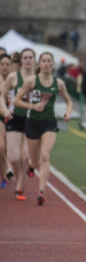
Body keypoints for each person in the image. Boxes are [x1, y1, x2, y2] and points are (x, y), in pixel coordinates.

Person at [14, 52, 73, 205]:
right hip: (32, 122)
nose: (46, 63)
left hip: (49, 122)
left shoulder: (58, 83)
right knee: (33, 160)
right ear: (39, 64)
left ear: (52, 64)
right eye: (44, 61)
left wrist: (67, 113)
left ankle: (41, 192)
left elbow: (69, 101)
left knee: (45, 155)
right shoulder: (31, 81)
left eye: (49, 61)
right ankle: (32, 167)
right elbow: (16, 101)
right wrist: (33, 106)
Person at [0, 48, 36, 200]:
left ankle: (20, 185)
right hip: (14, 117)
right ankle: (17, 175)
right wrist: (6, 110)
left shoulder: (38, 78)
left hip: (32, 119)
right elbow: (1, 96)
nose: (28, 60)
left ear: (34, 60)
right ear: (21, 61)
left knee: (26, 156)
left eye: (30, 57)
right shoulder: (13, 77)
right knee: (14, 157)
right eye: (25, 57)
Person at [0, 54, 13, 188]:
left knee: (11, 150)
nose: (4, 67)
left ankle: (9, 169)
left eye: (7, 64)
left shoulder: (14, 80)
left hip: (14, 118)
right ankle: (5, 174)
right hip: (1, 117)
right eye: (2, 64)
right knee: (1, 147)